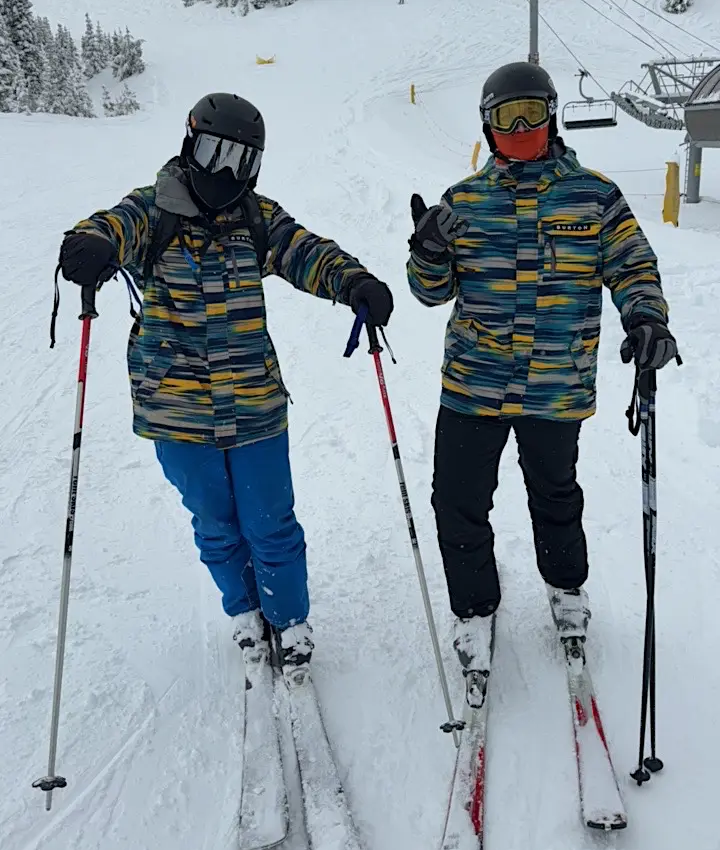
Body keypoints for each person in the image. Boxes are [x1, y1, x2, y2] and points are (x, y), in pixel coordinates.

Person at [59, 93, 393, 681]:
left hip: (253, 403)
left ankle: (289, 620)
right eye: (215, 153)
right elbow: (113, 225)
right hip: (177, 406)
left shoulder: (256, 219)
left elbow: (305, 251)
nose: (226, 172)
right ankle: (244, 610)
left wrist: (355, 281)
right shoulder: (153, 212)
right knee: (215, 521)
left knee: (271, 521)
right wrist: (94, 245)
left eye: (243, 161)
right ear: (190, 144)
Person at [407, 61, 677, 704]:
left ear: (553, 115)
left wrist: (645, 317)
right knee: (459, 501)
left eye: (531, 112)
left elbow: (634, 264)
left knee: (555, 495)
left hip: (556, 385)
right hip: (474, 384)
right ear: (488, 125)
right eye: (507, 117)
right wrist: (426, 251)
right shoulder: (463, 202)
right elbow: (428, 293)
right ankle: (475, 612)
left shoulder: (594, 196)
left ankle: (566, 590)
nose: (521, 127)